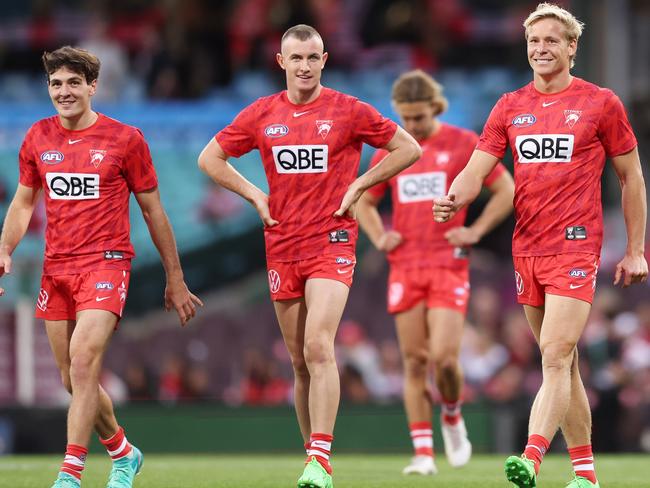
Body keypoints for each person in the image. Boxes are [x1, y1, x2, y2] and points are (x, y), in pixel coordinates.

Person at [433, 3, 647, 488]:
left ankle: (529, 458)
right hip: (526, 248)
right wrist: (453, 199)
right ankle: (586, 476)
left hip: (576, 245)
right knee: (563, 366)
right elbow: (477, 168)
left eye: (551, 40)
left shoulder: (601, 103)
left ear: (572, 47)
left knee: (553, 355)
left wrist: (635, 249)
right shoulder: (509, 105)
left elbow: (631, 176)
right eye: (534, 41)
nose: (541, 49)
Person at [198, 24, 421, 488]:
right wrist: (254, 196)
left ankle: (321, 459)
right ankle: (312, 461)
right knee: (299, 360)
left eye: (312, 57)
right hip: (282, 244)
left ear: (324, 61)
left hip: (331, 241)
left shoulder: (348, 110)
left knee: (319, 344)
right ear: (281, 62)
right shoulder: (262, 114)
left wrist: (361, 183)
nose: (304, 66)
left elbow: (408, 147)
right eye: (295, 58)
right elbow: (210, 159)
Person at [0, 46, 203, 488]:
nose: (64, 91)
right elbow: (22, 203)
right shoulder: (37, 137)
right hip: (56, 269)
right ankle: (124, 452)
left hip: (107, 264)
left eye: (74, 83)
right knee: (73, 379)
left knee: (83, 359)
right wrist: (5, 249)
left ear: (93, 86)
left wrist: (176, 277)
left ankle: (70, 472)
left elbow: (154, 211)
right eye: (56, 84)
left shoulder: (125, 140)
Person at [357, 69, 514, 475]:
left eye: (419, 118)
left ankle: (452, 414)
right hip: (405, 266)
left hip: (448, 264)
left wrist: (475, 229)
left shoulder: (462, 144)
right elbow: (364, 200)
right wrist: (378, 236)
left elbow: (506, 190)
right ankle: (423, 454)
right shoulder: (391, 151)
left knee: (444, 360)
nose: (412, 126)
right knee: (413, 361)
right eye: (405, 118)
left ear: (435, 108)